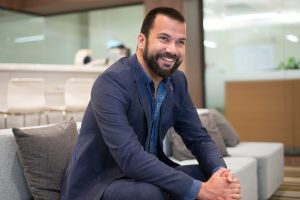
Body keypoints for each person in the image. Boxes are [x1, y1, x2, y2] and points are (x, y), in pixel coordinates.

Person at [61, 7, 241, 200]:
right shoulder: (111, 83)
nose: (172, 49)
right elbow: (129, 157)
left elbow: (198, 137)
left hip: (144, 174)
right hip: (100, 182)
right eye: (164, 38)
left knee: (209, 177)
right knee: (151, 193)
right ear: (141, 41)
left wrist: (220, 173)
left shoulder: (177, 82)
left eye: (180, 42)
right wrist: (200, 190)